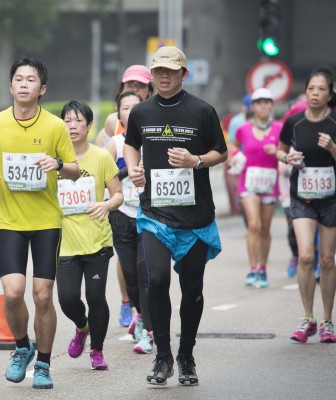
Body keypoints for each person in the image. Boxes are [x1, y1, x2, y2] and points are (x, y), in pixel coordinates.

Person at [123, 46, 227, 386]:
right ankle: (163, 356)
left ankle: (186, 356)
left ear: (184, 74)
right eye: (158, 71)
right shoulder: (141, 111)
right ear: (152, 75)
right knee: (156, 280)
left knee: (191, 288)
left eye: (171, 70)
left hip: (195, 218)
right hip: (155, 213)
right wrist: (134, 167)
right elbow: (130, 143)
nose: (164, 76)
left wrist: (196, 161)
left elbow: (220, 152)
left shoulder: (202, 111)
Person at [0, 56, 79, 390]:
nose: (24, 85)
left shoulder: (55, 126)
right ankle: (23, 347)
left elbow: (75, 169)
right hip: (10, 221)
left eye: (31, 80)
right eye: (19, 79)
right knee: (12, 294)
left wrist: (58, 164)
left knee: (42, 296)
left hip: (46, 221)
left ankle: (44, 364)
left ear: (43, 89)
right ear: (10, 86)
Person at [57, 100, 123, 370]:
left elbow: (118, 194)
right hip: (64, 242)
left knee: (96, 297)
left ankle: (97, 350)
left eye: (78, 121)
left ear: (89, 126)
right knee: (67, 299)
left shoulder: (101, 157)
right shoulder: (54, 159)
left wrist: (106, 205)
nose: (72, 126)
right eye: (67, 121)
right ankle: (82, 327)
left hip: (97, 240)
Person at [275, 67, 336, 344]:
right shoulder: (294, 122)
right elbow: (279, 149)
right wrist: (287, 158)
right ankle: (307, 318)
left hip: (331, 199)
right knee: (306, 256)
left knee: (327, 260)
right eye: (311, 88)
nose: (315, 94)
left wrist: (332, 148)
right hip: (302, 197)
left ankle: (327, 321)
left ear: (330, 94)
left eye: (321, 89)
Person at [95, 64, 153, 328]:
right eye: (130, 85)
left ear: (149, 90)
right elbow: (99, 164)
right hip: (122, 209)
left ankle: (147, 317)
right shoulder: (112, 125)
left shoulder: (158, 117)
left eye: (140, 85)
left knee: (147, 268)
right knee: (127, 262)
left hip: (149, 209)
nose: (135, 89)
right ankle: (128, 303)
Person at [104, 91, 154, 354]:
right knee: (131, 277)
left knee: (146, 274)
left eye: (136, 106)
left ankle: (149, 331)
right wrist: (126, 172)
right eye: (125, 107)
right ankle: (140, 314)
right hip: (122, 215)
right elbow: (102, 176)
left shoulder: (154, 139)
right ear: (118, 114)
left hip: (149, 216)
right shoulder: (114, 143)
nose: (131, 111)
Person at [230, 88, 282, 288]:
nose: (262, 106)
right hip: (248, 182)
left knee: (265, 228)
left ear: (272, 106)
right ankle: (252, 268)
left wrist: (277, 151)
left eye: (266, 102)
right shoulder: (243, 129)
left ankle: (263, 267)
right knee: (254, 225)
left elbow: (288, 150)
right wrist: (236, 155)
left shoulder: (279, 128)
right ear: (253, 106)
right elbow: (232, 146)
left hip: (269, 183)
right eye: (258, 103)